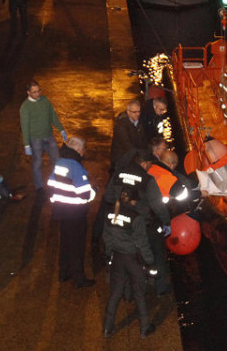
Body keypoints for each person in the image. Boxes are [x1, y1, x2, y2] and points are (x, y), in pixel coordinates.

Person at [102, 151, 172, 296]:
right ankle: (159, 287)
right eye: (150, 164)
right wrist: (166, 222)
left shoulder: (118, 174)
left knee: (124, 254)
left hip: (120, 222)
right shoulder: (147, 180)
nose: (150, 167)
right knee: (157, 252)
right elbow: (158, 206)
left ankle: (127, 291)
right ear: (144, 163)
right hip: (144, 224)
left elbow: (108, 197)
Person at [102, 184, 157, 339]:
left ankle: (107, 328)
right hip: (133, 260)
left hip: (117, 258)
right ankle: (145, 328)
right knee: (139, 293)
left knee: (115, 293)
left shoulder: (109, 213)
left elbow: (106, 238)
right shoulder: (136, 218)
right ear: (133, 201)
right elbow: (142, 243)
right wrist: (150, 262)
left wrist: (108, 255)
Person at [48, 136, 96, 288]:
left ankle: (64, 273)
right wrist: (94, 191)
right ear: (77, 150)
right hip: (76, 213)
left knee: (65, 244)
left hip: (61, 210)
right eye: (82, 150)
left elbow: (50, 184)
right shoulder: (76, 167)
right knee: (77, 246)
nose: (82, 153)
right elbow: (85, 194)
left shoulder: (59, 162)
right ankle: (79, 279)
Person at [20, 79, 67, 193]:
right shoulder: (25, 107)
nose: (38, 94)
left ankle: (58, 183)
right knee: (37, 163)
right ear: (28, 93)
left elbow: (53, 116)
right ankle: (39, 187)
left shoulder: (45, 100)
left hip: (49, 136)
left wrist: (61, 129)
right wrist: (26, 144)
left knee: (57, 160)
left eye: (38, 90)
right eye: (34, 92)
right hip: (35, 139)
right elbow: (25, 127)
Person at [109, 99, 146, 171]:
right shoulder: (121, 125)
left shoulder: (139, 122)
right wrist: (140, 159)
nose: (137, 114)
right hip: (121, 157)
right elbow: (126, 144)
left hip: (132, 155)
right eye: (134, 112)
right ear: (128, 112)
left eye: (139, 111)